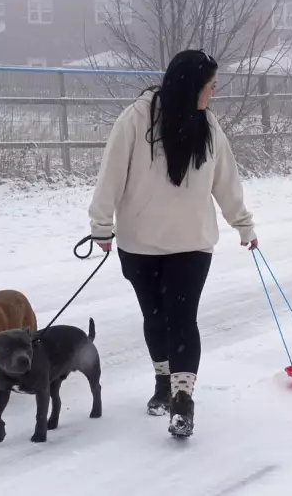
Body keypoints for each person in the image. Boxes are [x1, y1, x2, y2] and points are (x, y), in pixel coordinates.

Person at [87, 50, 258, 438]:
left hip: (191, 244)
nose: (213, 93)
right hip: (140, 244)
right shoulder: (135, 120)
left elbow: (225, 180)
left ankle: (182, 400)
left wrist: (243, 224)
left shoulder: (208, 126)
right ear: (190, 85)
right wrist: (101, 225)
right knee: (156, 318)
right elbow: (110, 174)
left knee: (181, 319)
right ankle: (164, 383)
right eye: (210, 86)